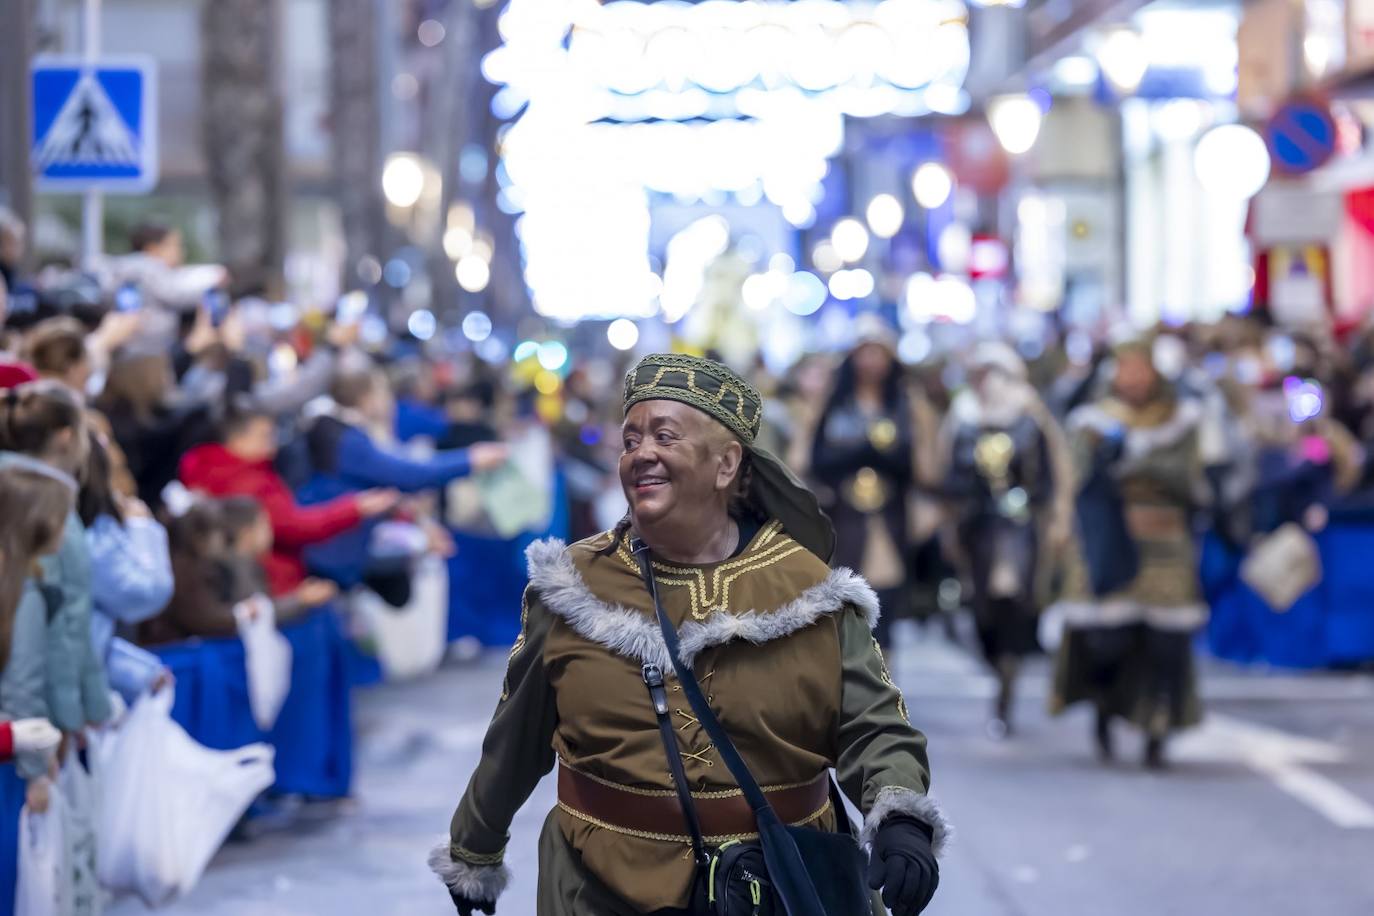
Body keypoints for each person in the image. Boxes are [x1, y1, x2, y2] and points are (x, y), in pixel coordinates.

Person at [433, 354, 947, 916]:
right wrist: (473, 850)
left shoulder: (807, 586)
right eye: (630, 440)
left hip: (778, 886)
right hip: (599, 886)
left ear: (726, 465)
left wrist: (900, 816)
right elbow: (516, 736)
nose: (641, 453)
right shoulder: (572, 585)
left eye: (664, 436)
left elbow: (873, 723)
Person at [1049, 340, 1207, 769]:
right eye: (1126, 369)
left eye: (1142, 369)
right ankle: (1105, 707)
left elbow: (1187, 480)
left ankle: (1157, 727)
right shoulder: (1090, 421)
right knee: (1106, 642)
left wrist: (1133, 461)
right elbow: (1079, 478)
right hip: (1106, 545)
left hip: (1166, 548)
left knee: (1165, 645)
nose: (1134, 378)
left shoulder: (1182, 421)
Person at [939, 343, 1071, 737]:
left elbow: (1050, 478)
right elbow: (949, 478)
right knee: (980, 611)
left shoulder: (1032, 419)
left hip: (1019, 530)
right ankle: (997, 665)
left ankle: (1007, 686)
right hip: (977, 530)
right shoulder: (962, 420)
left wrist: (1047, 518)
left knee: (1015, 605)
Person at [296, 367, 506, 593]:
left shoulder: (336, 429)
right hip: (332, 552)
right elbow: (410, 475)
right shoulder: (347, 439)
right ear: (366, 397)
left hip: (333, 545)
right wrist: (470, 459)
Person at [178, 400, 399, 597]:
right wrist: (354, 508)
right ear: (237, 439)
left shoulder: (202, 470)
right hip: (273, 584)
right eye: (264, 436)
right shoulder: (246, 483)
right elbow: (295, 526)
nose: (272, 446)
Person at [0, 381, 111, 735]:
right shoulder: (43, 505)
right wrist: (69, 718)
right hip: (31, 716)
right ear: (66, 436)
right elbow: (63, 625)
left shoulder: (25, 488)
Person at [809, 320, 915, 648]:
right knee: (847, 592)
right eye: (864, 353)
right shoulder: (834, 404)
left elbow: (914, 463)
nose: (870, 362)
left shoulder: (904, 403)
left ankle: (883, 675)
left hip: (891, 511)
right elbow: (818, 459)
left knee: (887, 594)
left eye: (877, 354)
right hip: (843, 511)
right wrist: (861, 453)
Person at [78, 430, 175, 702]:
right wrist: (141, 528)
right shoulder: (89, 536)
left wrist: (140, 671)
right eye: (114, 467)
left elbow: (88, 632)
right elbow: (145, 593)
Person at [0, 460, 71, 777]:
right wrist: (36, 771)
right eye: (62, 520)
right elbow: (23, 688)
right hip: (14, 758)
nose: (66, 531)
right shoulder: (25, 595)